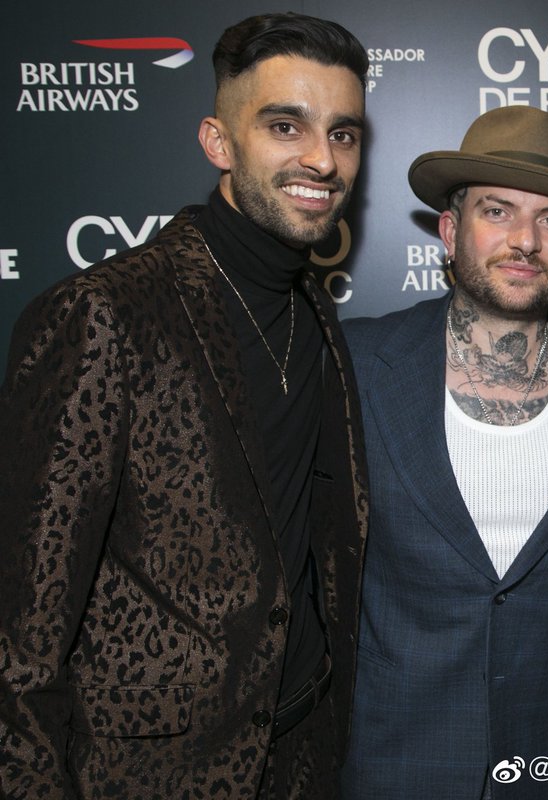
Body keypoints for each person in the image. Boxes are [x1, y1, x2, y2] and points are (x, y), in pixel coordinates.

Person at [0, 13, 370, 798]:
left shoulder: (317, 315)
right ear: (218, 142)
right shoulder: (106, 313)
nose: (321, 159)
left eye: (345, 134)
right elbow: (20, 639)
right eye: (284, 125)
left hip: (307, 752)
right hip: (158, 775)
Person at [339, 105, 548, 800]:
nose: (526, 240)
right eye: (498, 211)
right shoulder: (357, 363)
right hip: (394, 754)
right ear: (451, 232)